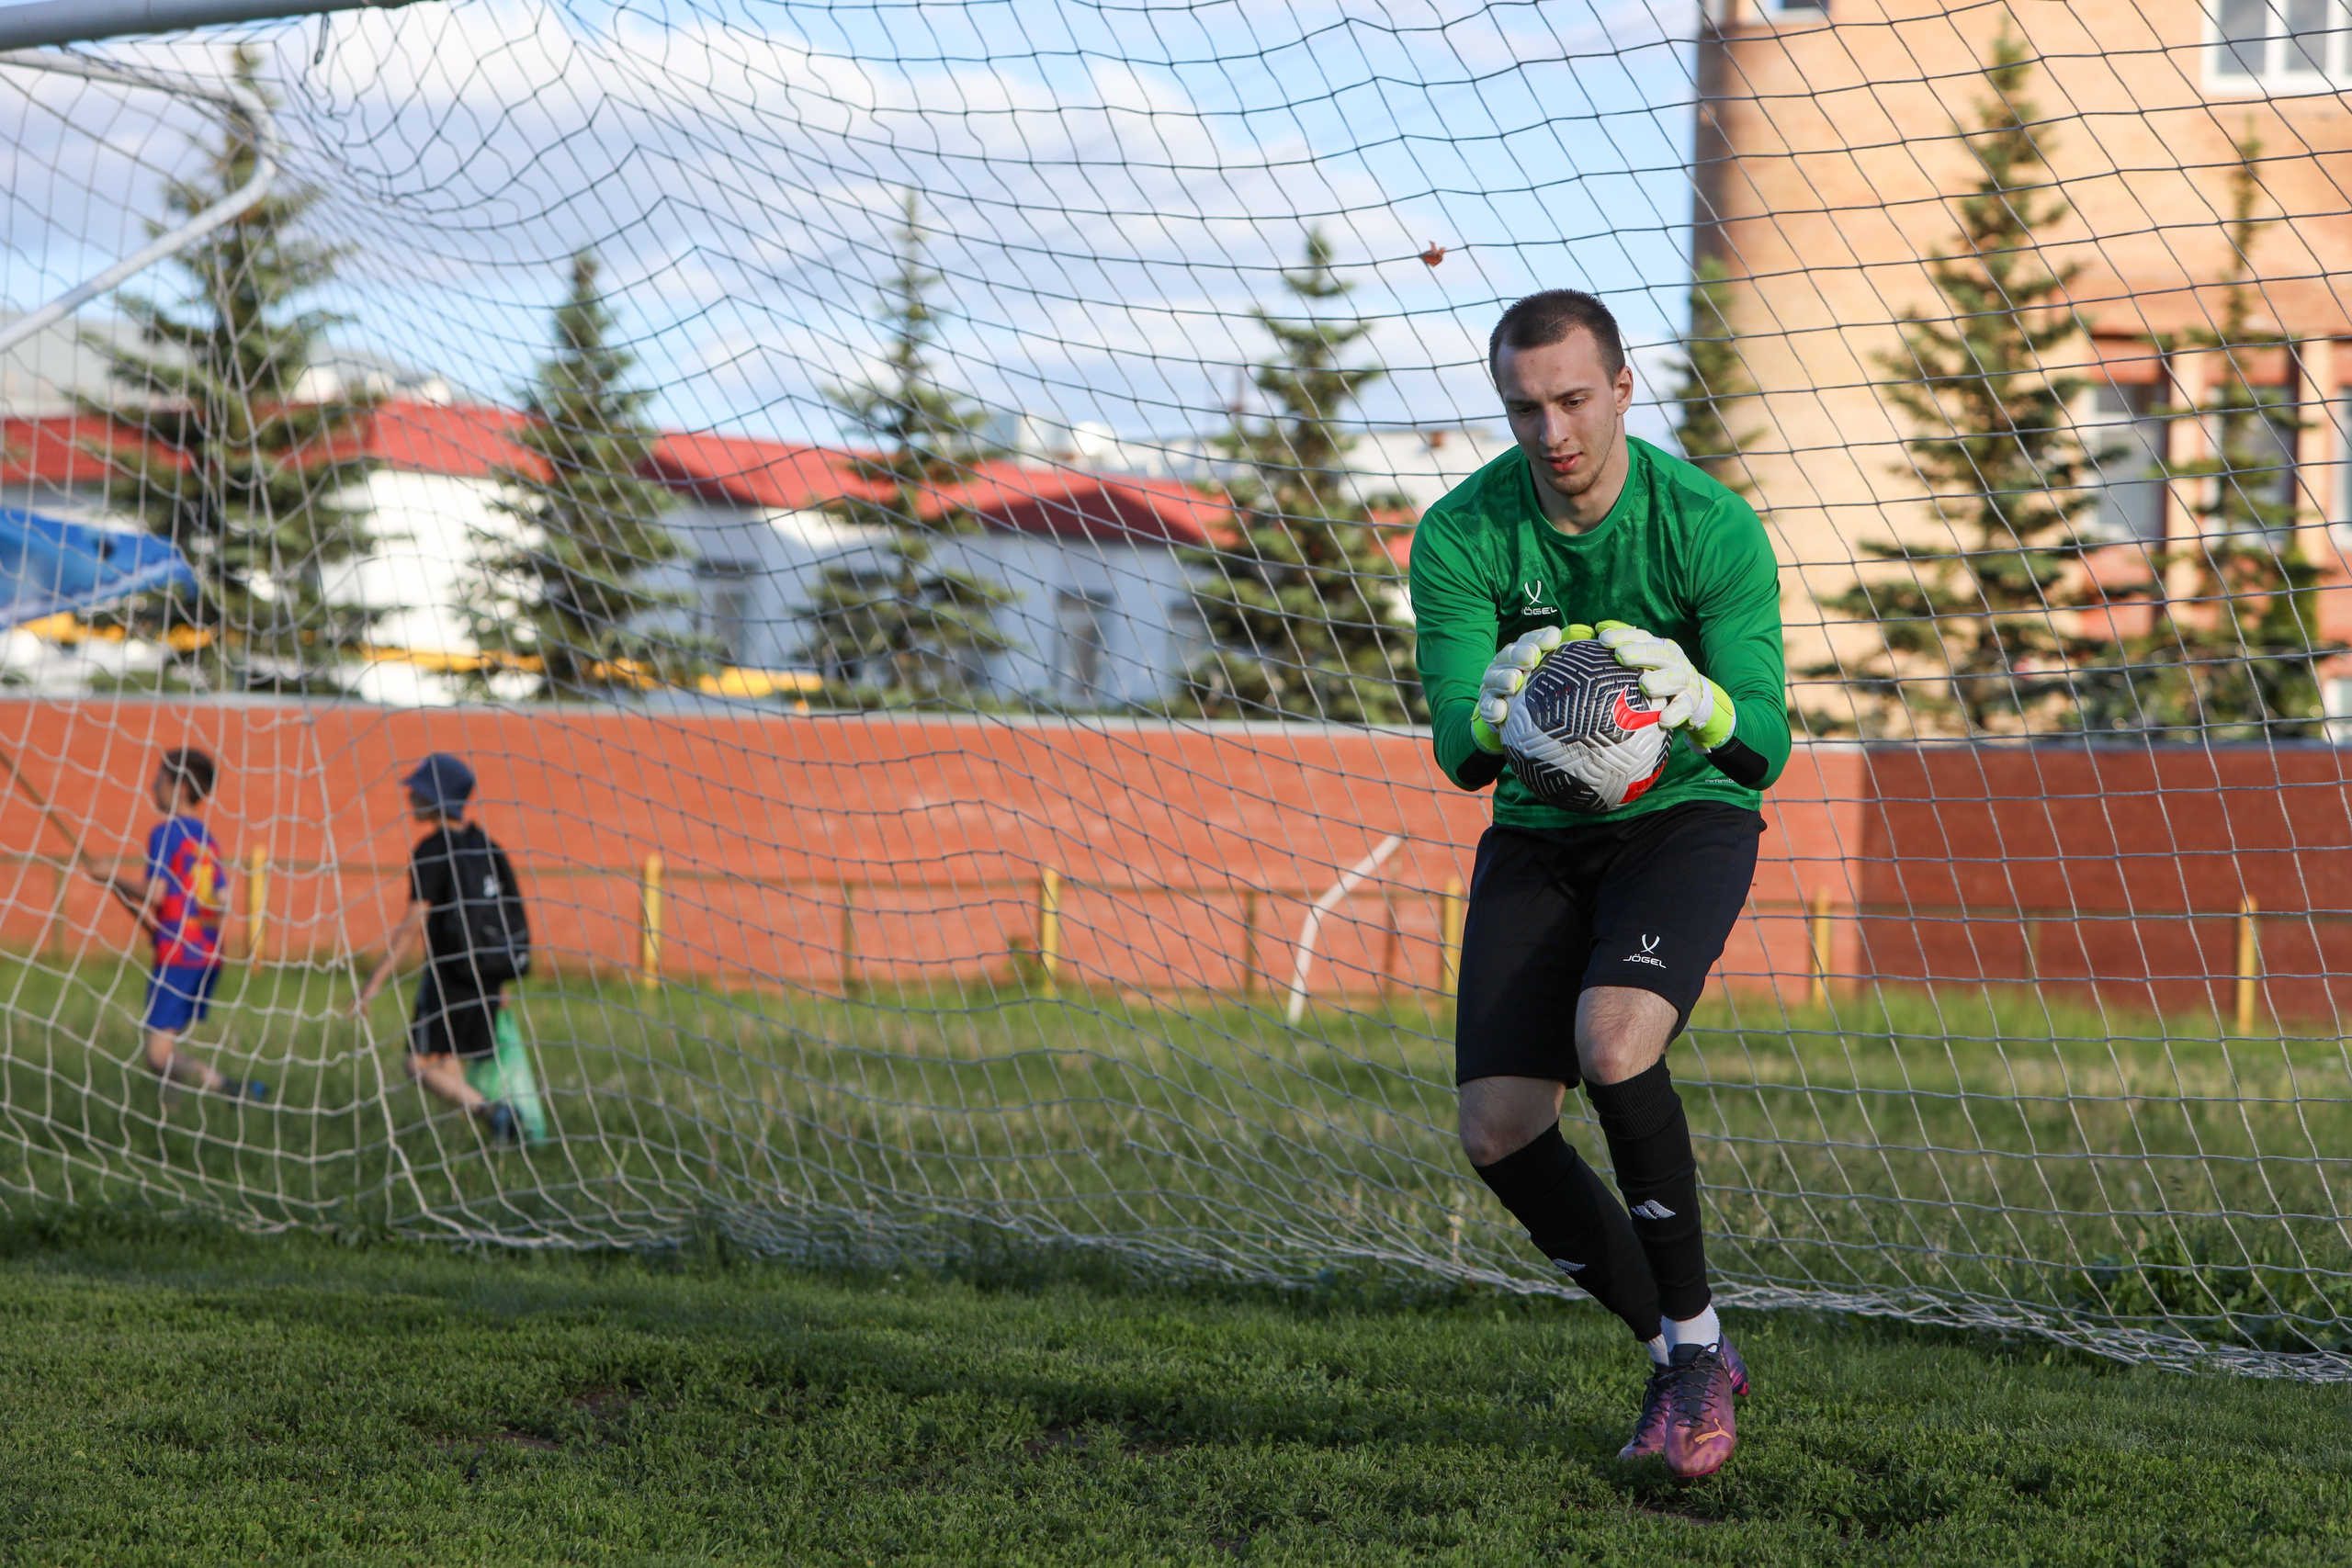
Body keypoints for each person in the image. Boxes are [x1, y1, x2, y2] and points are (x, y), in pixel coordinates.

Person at [1407, 288, 1789, 1479]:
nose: (1553, 429)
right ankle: (1691, 1345)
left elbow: (1764, 741)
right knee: (1499, 1125)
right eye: (1525, 407)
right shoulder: (1463, 535)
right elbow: (1463, 761)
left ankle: (1686, 1363)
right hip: (1540, 827)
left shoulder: (1707, 525)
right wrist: (1489, 706)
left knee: (1615, 1041)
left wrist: (1706, 698)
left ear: (1623, 388)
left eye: (1574, 398)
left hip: (1688, 814)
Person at [351, 753, 523, 1144]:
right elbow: (497, 915)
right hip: (486, 976)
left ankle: (493, 1112)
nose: (410, 794)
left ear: (436, 798)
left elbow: (413, 924)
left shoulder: (432, 849)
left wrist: (373, 983)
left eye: (419, 789)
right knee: (445, 1059)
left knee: (417, 1064)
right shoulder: (485, 846)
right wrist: (503, 980)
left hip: (449, 977)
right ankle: (482, 1132)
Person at [85, 746, 266, 1101]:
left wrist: (110, 876)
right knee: (166, 1045)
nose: (152, 787)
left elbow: (156, 894)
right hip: (207, 954)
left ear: (179, 788)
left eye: (159, 779)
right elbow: (214, 899)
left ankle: (228, 1090)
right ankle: (173, 1120)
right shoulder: (206, 839)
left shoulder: (166, 833)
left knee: (157, 1055)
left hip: (180, 955)